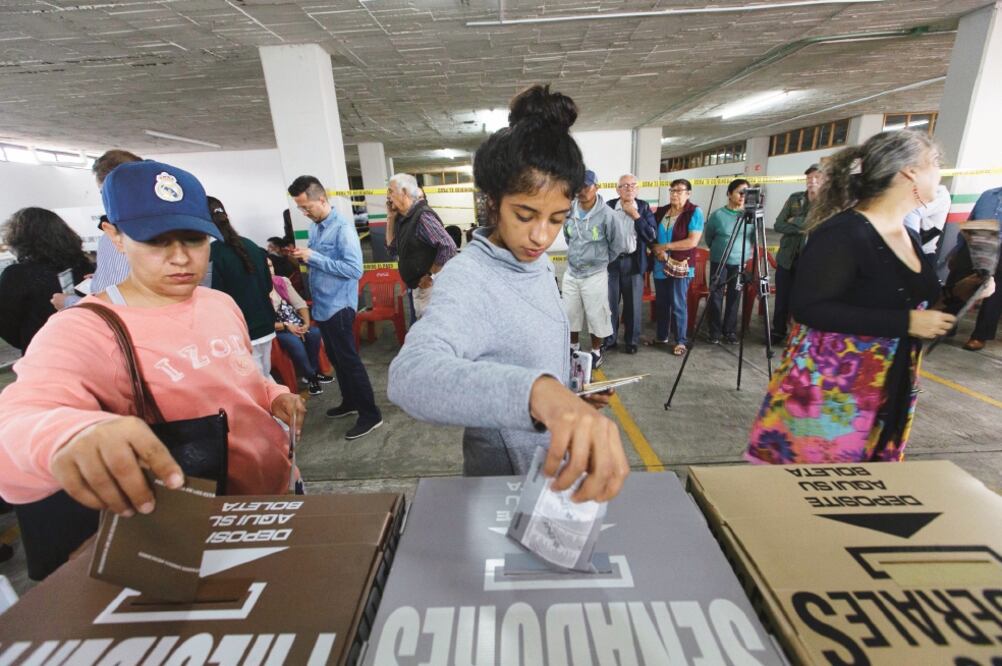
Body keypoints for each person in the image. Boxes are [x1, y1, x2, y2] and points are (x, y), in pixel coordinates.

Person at [0, 160, 305, 573]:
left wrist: (275, 395)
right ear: (116, 237)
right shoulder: (87, 329)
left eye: (194, 239)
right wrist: (72, 434)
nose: (180, 258)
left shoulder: (219, 303)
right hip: (195, 526)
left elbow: (246, 372)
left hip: (278, 491)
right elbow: (18, 420)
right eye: (157, 241)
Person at [387, 84, 629, 502]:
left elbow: (525, 350)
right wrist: (538, 395)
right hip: (504, 487)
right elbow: (410, 376)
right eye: (524, 214)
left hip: (547, 476)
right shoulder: (469, 277)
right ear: (493, 202)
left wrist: (571, 393)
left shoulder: (533, 264)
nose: (541, 235)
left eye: (557, 219)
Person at [747, 131, 956, 464]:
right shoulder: (843, 233)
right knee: (819, 489)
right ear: (909, 172)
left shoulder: (907, 232)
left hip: (888, 382)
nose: (940, 175)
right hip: (835, 390)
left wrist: (962, 293)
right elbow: (809, 308)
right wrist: (907, 322)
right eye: (934, 164)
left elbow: (905, 297)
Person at [288, 176, 383, 440]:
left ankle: (370, 414)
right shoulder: (317, 227)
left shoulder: (342, 228)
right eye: (300, 208)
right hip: (323, 304)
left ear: (322, 199)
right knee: (337, 360)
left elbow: (354, 270)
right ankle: (350, 401)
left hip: (339, 307)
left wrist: (314, 257)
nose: (304, 212)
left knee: (350, 362)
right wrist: (304, 257)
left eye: (307, 207)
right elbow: (325, 263)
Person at [51, 149, 142, 311]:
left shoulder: (119, 233)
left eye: (102, 192)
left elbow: (118, 305)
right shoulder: (160, 225)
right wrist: (100, 278)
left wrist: (69, 302)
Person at [0, 208, 94, 353]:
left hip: (42, 353)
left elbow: (5, 323)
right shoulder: (85, 266)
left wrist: (29, 339)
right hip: (89, 347)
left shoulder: (17, 275)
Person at [563, 169, 631, 368]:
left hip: (595, 274)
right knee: (570, 312)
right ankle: (573, 347)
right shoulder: (569, 211)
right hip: (572, 271)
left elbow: (617, 244)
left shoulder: (607, 215)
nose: (581, 190)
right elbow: (569, 238)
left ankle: (595, 351)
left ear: (597, 187)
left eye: (586, 185)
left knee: (596, 314)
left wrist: (600, 261)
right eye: (577, 186)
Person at [206, 196, 276, 378]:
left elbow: (213, 299)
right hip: (266, 326)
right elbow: (268, 286)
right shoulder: (252, 246)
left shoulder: (211, 254)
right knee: (265, 377)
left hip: (239, 333)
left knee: (256, 386)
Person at [384, 172, 458, 319]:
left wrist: (430, 274)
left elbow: (448, 246)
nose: (388, 197)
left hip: (428, 289)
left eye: (391, 191)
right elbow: (392, 249)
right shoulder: (404, 218)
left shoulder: (422, 216)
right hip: (417, 287)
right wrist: (391, 218)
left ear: (404, 192)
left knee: (433, 333)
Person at [772, 164, 824, 345]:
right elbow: (778, 224)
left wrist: (796, 221)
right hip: (787, 258)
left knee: (802, 300)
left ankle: (797, 335)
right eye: (809, 178)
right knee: (781, 299)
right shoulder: (795, 198)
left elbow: (824, 226)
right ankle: (778, 331)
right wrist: (807, 225)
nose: (812, 181)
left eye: (816, 178)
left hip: (811, 261)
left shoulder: (828, 202)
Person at [605, 173, 657, 354]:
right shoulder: (609, 207)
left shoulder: (643, 208)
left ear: (638, 189)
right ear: (617, 189)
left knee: (633, 305)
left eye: (633, 185)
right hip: (611, 264)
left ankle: (631, 341)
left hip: (634, 262)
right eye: (624, 185)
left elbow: (651, 235)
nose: (629, 188)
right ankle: (609, 339)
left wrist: (635, 216)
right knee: (610, 304)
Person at [651, 178, 704, 356]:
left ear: (688, 193)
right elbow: (652, 234)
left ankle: (681, 340)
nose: (674, 194)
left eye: (679, 191)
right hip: (660, 263)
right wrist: (656, 250)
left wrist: (665, 247)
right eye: (672, 190)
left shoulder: (694, 212)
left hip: (681, 265)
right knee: (662, 302)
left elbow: (692, 241)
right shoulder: (662, 211)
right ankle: (661, 337)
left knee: (678, 303)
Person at [269, 258, 331, 395]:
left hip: (295, 323)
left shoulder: (281, 282)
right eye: (266, 267)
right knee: (294, 341)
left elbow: (300, 304)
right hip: (277, 329)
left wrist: (306, 324)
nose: (270, 270)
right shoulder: (256, 290)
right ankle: (311, 376)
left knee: (314, 333)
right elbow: (264, 323)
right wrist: (286, 326)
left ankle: (312, 373)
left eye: (271, 265)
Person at [703, 179, 754, 344]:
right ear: (729, 194)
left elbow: (754, 238)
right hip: (720, 261)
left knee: (735, 296)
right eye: (739, 192)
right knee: (716, 295)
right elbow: (709, 237)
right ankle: (714, 331)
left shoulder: (750, 216)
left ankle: (730, 331)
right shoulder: (717, 216)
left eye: (746, 193)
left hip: (739, 262)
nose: (742, 196)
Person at [958, 186, 1002, 352]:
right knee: (958, 282)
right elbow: (971, 221)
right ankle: (947, 324)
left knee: (995, 295)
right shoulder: (988, 195)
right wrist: (957, 249)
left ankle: (980, 335)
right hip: (974, 244)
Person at [903, 184, 950, 264]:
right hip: (902, 251)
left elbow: (914, 211)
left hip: (923, 252)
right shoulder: (909, 190)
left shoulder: (940, 192)